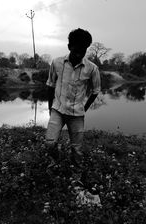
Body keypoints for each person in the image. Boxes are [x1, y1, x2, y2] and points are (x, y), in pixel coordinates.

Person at [45, 28, 101, 168]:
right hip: (57, 110)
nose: (78, 55)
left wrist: (84, 108)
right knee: (50, 142)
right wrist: (50, 108)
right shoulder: (57, 63)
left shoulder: (92, 69)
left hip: (77, 114)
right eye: (75, 51)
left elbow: (95, 91)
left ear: (86, 49)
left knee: (77, 148)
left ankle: (77, 173)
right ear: (69, 47)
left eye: (82, 52)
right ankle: (55, 162)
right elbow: (50, 86)